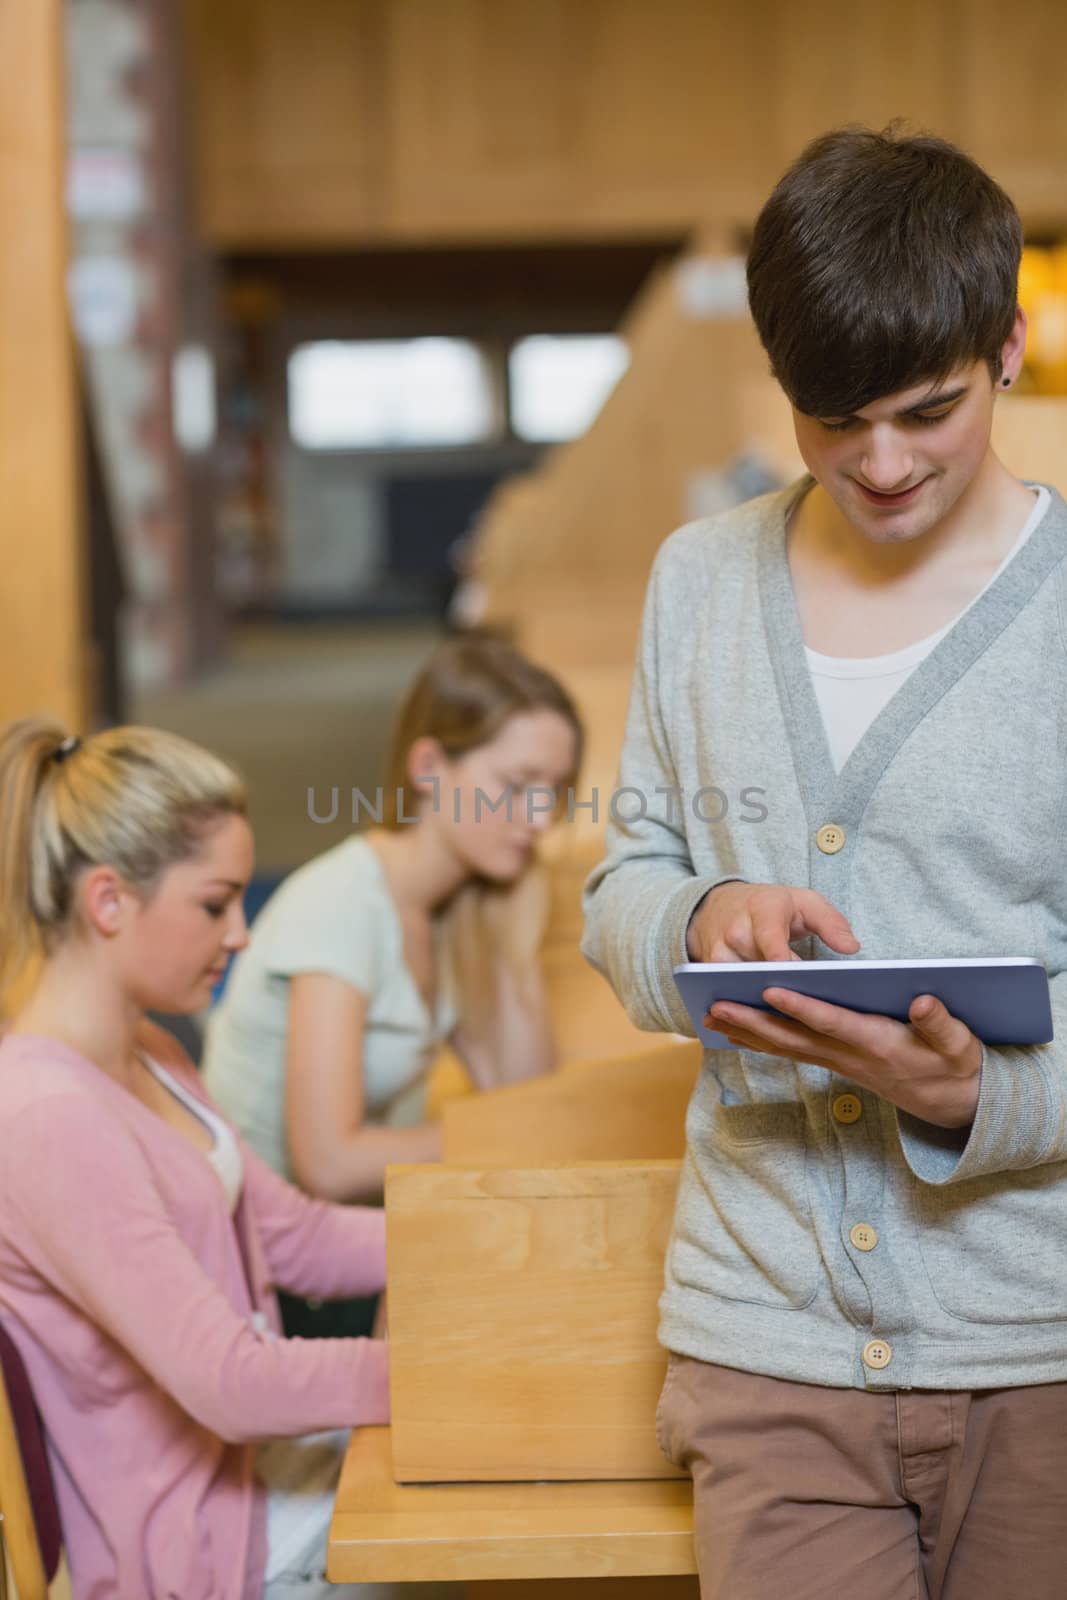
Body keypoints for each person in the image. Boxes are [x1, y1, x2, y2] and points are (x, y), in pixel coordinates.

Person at [581, 124, 1067, 1600]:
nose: (877, 461)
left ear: (1003, 346)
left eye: (922, 410)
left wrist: (984, 1095)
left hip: (1033, 1343)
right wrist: (701, 909)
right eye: (827, 417)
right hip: (764, 1341)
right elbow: (622, 888)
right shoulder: (698, 580)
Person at [0, 719, 414, 1600]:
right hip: (199, 1545)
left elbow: (291, 1235)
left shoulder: (151, 1046)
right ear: (109, 902)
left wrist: (463, 1237)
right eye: (214, 903)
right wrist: (445, 1363)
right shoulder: (44, 1117)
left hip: (252, 1473)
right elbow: (229, 1381)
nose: (241, 933)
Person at [202, 634, 582, 1336]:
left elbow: (526, 1100)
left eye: (553, 795)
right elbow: (330, 1160)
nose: (539, 821)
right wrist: (490, 1138)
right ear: (429, 768)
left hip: (336, 1251)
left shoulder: (457, 909)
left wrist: (518, 932)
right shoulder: (343, 904)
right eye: (515, 786)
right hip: (254, 1276)